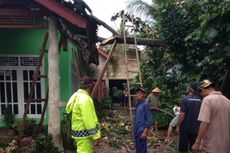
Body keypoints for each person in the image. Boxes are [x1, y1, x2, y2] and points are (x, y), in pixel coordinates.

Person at [192, 79, 230, 153]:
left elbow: (204, 123)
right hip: (226, 146)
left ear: (202, 90)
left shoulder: (207, 100)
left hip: (211, 146)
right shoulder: (228, 101)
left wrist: (197, 142)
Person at [66, 76, 100, 153]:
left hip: (78, 132)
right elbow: (88, 120)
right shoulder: (85, 99)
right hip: (84, 134)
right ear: (90, 86)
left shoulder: (76, 96)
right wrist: (96, 136)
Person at [176, 82, 201, 152]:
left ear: (190, 88)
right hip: (196, 127)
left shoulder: (185, 99)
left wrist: (178, 126)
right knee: (194, 148)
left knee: (183, 149)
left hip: (185, 128)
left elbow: (182, 115)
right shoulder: (200, 100)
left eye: (188, 86)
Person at [134, 87, 153, 153]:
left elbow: (149, 119)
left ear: (144, 95)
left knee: (142, 149)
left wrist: (145, 132)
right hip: (136, 129)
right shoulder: (137, 104)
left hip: (141, 130)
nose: (138, 94)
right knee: (138, 148)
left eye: (141, 93)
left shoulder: (146, 104)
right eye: (137, 93)